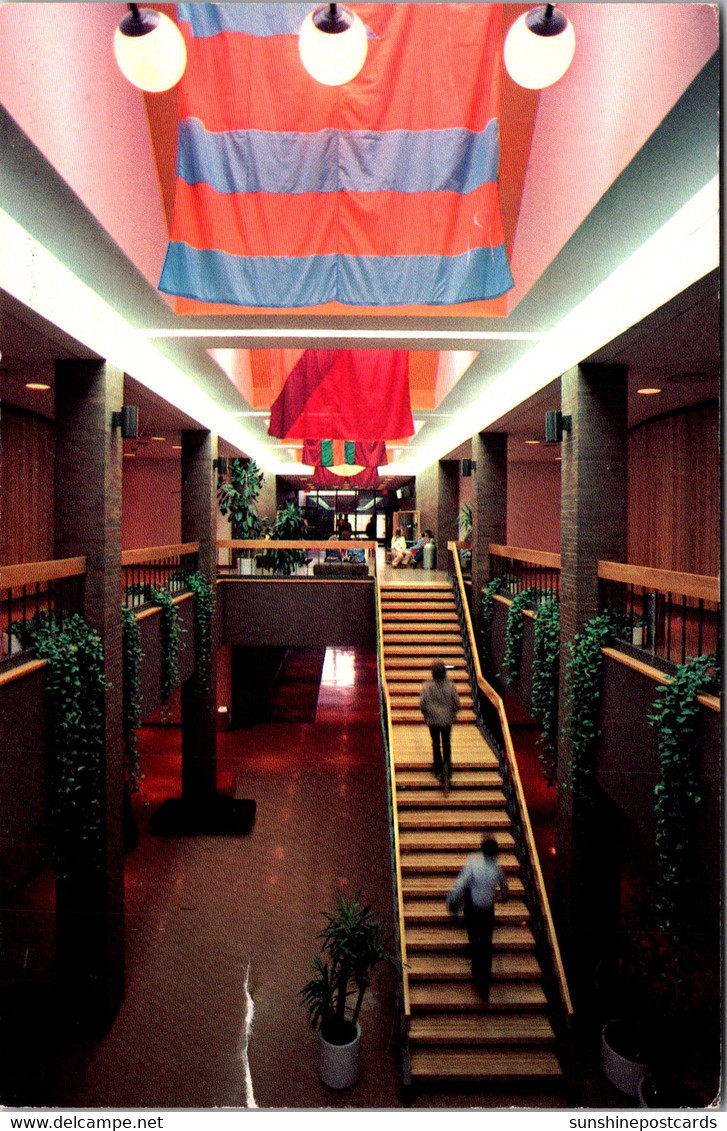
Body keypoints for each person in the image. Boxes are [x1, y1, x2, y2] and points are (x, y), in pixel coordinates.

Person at [446, 835, 510, 1001]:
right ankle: (485, 985)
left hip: (473, 910)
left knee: (474, 939)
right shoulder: (497, 868)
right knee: (487, 943)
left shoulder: (474, 862)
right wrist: (501, 897)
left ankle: (476, 969)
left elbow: (462, 884)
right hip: (488, 911)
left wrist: (452, 899)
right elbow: (504, 888)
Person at [418, 659, 459, 786]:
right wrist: (453, 714)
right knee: (446, 743)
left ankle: (438, 770)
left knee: (436, 744)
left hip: (433, 720)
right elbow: (456, 703)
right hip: (447, 720)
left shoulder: (426, 686)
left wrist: (425, 715)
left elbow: (422, 704)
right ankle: (448, 768)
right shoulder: (451, 685)